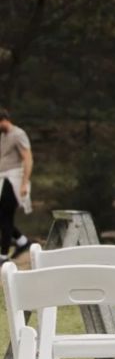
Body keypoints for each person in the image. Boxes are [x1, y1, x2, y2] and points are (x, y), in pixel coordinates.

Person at [0, 110, 32, 258]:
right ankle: (22, 241)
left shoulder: (18, 134)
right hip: (3, 179)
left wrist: (24, 183)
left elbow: (27, 158)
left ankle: (3, 255)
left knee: (6, 216)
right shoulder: (3, 136)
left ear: (4, 120)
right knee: (3, 217)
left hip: (14, 180)